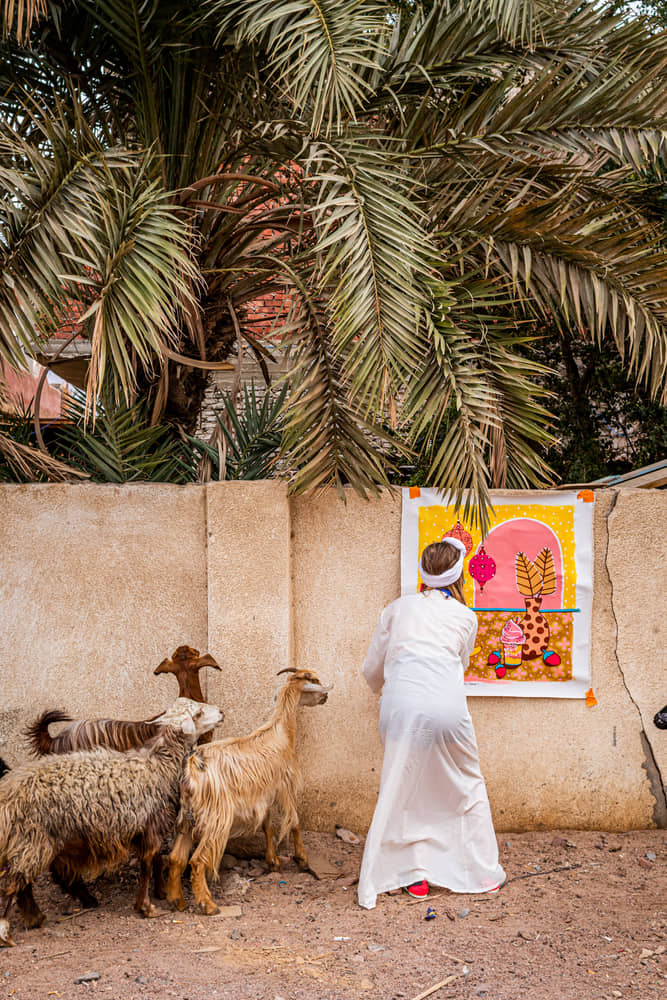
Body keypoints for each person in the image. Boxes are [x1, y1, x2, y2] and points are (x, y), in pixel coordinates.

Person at [357, 537, 505, 909]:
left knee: (403, 785)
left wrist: (388, 691)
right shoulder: (466, 616)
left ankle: (414, 873)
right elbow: (460, 660)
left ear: (423, 571)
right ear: (458, 575)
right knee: (467, 782)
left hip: (400, 706)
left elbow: (371, 669)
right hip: (447, 708)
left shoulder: (396, 608)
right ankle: (483, 872)